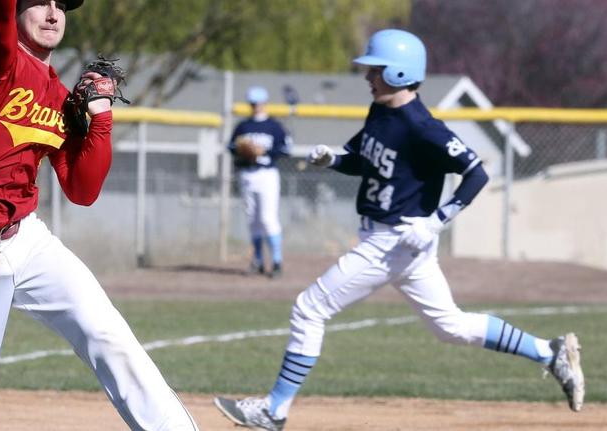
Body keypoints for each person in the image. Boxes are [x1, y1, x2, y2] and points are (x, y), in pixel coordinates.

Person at [214, 29, 584, 431]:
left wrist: (438, 219)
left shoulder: (423, 126)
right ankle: (549, 353)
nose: (367, 77)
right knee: (450, 326)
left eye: (375, 70)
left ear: (399, 73)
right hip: (397, 240)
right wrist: (333, 159)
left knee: (309, 309)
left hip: (395, 239)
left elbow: (475, 173)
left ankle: (274, 411)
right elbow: (360, 158)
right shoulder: (382, 112)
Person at [0, 1, 198, 430]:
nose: (52, 13)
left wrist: (100, 117)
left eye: (61, 5)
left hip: (25, 240)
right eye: (39, 2)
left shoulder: (62, 98)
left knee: (109, 335)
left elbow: (82, 190)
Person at [229, 86, 293, 278]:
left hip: (267, 175)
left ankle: (277, 262)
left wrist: (264, 152)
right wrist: (243, 151)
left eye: (258, 103)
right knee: (252, 220)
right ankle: (257, 260)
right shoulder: (243, 126)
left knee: (267, 218)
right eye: (252, 103)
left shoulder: (274, 126)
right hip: (247, 175)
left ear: (265, 103)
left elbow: (286, 149)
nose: (255, 106)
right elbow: (231, 146)